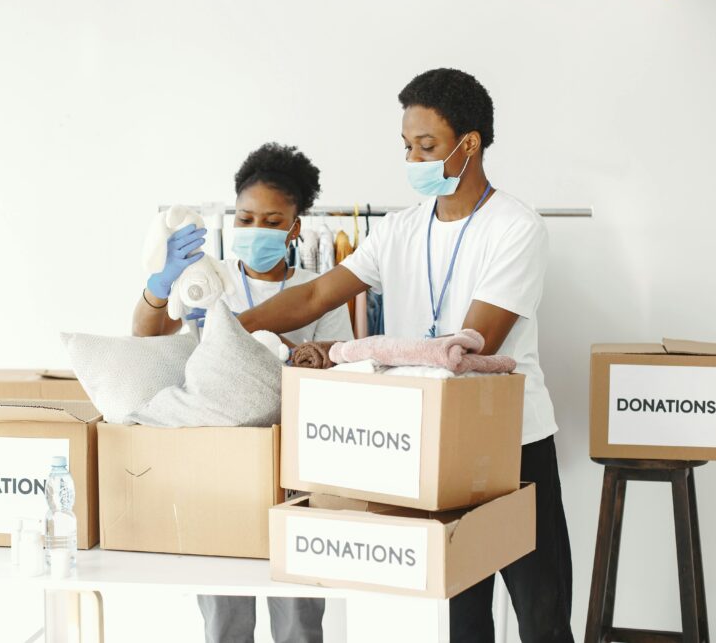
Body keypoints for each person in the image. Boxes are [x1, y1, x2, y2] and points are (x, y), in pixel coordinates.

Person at [237, 68, 574, 643]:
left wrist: (347, 351)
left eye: (427, 147)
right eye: (407, 147)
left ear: (469, 145)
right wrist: (230, 326)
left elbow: (473, 345)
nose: (414, 160)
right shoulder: (399, 229)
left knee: (541, 617)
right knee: (463, 618)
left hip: (512, 441)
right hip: (436, 443)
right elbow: (317, 293)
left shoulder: (516, 228)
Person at [132, 141, 352, 643]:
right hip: (217, 462)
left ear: (295, 228)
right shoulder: (208, 280)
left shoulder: (322, 290)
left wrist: (289, 349)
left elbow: (341, 372)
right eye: (247, 218)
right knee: (224, 616)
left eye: (273, 222)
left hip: (294, 469)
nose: (256, 231)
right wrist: (160, 284)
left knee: (298, 616)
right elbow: (146, 337)